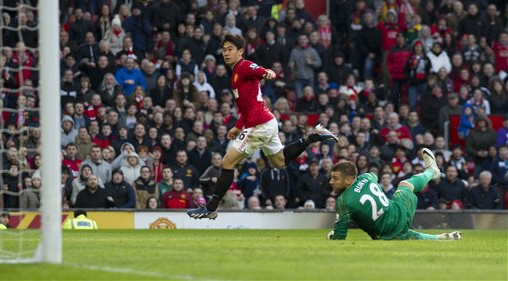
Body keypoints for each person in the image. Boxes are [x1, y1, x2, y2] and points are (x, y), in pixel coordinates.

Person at [188, 34, 339, 219]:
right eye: (224, 50)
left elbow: (260, 70)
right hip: (266, 121)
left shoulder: (243, 66)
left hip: (259, 124)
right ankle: (313, 136)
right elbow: (245, 108)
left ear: (240, 52)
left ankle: (210, 208)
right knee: (279, 162)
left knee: (227, 163)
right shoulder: (235, 73)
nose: (226, 53)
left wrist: (268, 72)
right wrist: (237, 127)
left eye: (230, 49)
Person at [327, 148, 462, 240]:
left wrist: (333, 236)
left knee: (397, 229)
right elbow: (373, 175)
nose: (331, 182)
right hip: (398, 216)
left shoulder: (343, 201)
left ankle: (433, 171)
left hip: (386, 232)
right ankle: (442, 238)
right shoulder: (366, 178)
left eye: (336, 178)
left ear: (349, 180)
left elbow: (340, 238)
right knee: (405, 185)